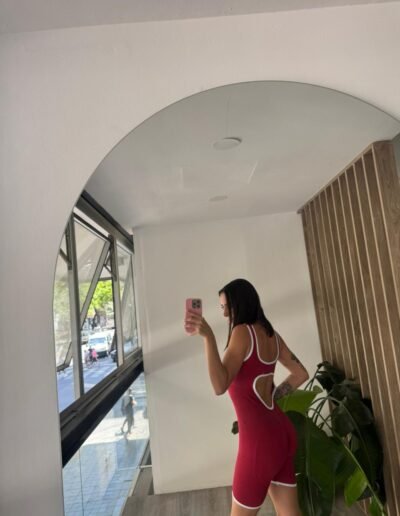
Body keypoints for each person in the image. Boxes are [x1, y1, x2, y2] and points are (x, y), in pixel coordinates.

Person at [184, 279, 309, 516]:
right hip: (281, 434)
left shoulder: (242, 332)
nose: (224, 314)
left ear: (240, 303)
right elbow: (300, 373)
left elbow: (220, 385)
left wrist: (208, 338)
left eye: (226, 307)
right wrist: (271, 397)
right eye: (222, 308)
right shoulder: (272, 335)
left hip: (259, 445)